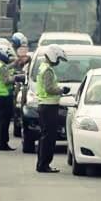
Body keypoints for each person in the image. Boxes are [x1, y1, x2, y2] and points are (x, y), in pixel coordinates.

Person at [35, 44, 71, 173]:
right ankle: (44, 165)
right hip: (48, 107)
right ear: (53, 56)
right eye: (59, 59)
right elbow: (49, 88)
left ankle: (41, 164)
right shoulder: (48, 70)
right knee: (49, 138)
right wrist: (62, 90)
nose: (59, 62)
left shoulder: (43, 67)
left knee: (45, 136)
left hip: (45, 106)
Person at [0, 44, 18, 151]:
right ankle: (3, 143)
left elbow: (4, 70)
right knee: (4, 121)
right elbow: (6, 80)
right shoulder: (1, 67)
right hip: (5, 95)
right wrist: (15, 78)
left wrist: (13, 64)